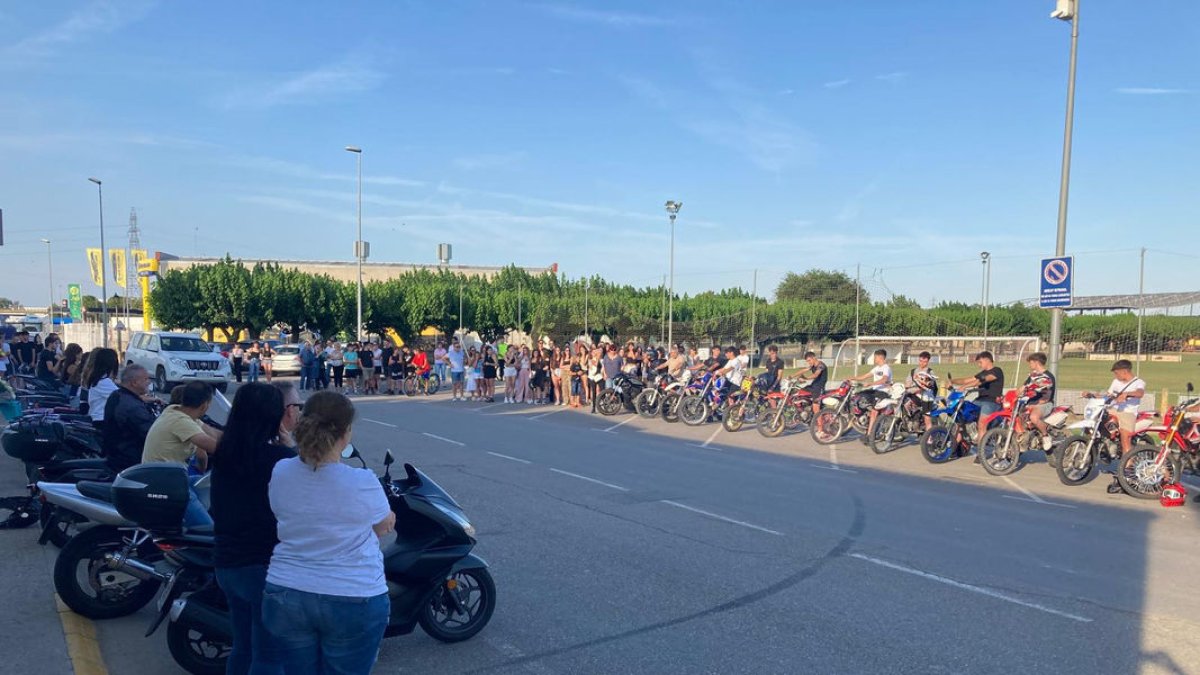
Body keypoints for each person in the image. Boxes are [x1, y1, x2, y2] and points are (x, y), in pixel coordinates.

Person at [263, 392, 393, 674]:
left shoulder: (281, 471)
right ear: (345, 433)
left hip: (287, 592)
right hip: (352, 595)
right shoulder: (361, 481)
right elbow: (384, 525)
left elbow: (282, 512)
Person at [210, 382, 296, 675]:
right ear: (272, 416)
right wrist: (288, 447)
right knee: (270, 654)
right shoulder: (280, 460)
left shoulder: (225, 453)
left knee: (243, 646)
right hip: (263, 565)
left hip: (228, 561)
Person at [142, 382, 222, 471]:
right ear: (204, 406)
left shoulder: (175, 411)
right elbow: (213, 447)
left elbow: (214, 433)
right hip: (162, 478)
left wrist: (236, 436)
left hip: (158, 473)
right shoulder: (180, 421)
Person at [101, 365, 158, 473]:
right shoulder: (132, 407)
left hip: (116, 455)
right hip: (129, 461)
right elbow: (151, 433)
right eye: (146, 379)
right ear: (134, 383)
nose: (149, 382)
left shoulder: (118, 395)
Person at [1084, 359, 1146, 458]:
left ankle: (1127, 465)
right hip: (1113, 409)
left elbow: (1140, 393)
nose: (1115, 376)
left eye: (1117, 373)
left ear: (1124, 371)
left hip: (1128, 412)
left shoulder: (1138, 382)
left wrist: (1127, 394)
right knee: (1095, 423)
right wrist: (1092, 395)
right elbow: (1108, 395)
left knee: (1125, 438)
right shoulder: (1116, 381)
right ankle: (1105, 445)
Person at [951, 351, 1005, 418]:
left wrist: (964, 386)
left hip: (991, 402)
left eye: (980, 362)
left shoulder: (997, 370)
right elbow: (965, 380)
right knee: (963, 414)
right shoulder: (982, 373)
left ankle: (982, 428)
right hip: (979, 400)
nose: (979, 365)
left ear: (987, 360)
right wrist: (952, 381)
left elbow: (983, 380)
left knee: (981, 423)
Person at [1021, 352, 1057, 450]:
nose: (1029, 364)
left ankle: (1045, 436)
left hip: (1045, 404)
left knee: (1033, 417)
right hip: (1031, 403)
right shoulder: (1033, 376)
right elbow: (1023, 388)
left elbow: (1046, 397)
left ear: (1036, 362)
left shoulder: (1048, 377)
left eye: (1031, 362)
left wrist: (1035, 405)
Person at [904, 351, 939, 431]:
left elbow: (929, 384)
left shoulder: (930, 372)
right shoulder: (913, 371)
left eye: (925, 361)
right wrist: (908, 386)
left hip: (926, 396)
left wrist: (923, 386)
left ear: (928, 361)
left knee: (927, 418)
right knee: (903, 402)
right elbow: (907, 383)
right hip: (914, 394)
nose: (922, 363)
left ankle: (929, 437)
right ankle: (910, 421)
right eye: (920, 361)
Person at [84, 348, 121, 424]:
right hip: (102, 420)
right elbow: (121, 397)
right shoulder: (103, 382)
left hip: (100, 419)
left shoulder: (99, 379)